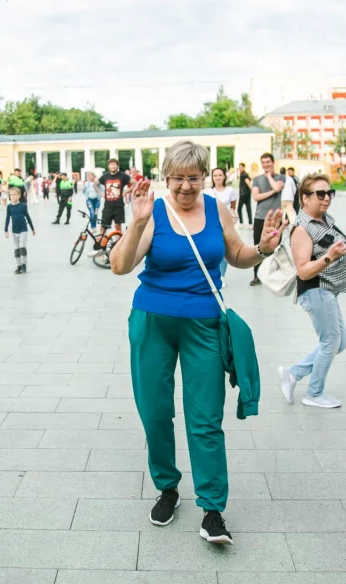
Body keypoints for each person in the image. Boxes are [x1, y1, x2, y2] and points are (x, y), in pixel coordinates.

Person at [109, 141, 285, 546]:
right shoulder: (152, 212)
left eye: (193, 178)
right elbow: (120, 267)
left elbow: (237, 254)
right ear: (166, 177)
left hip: (204, 322)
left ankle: (212, 509)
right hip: (153, 320)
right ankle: (167, 487)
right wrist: (136, 223)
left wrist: (263, 249)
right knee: (154, 411)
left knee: (205, 416)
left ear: (205, 176)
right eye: (178, 178)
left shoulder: (216, 209)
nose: (186, 186)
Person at [278, 174, 346, 409]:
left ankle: (293, 373)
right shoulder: (302, 229)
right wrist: (330, 257)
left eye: (329, 193)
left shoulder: (323, 220)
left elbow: (331, 242)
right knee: (331, 340)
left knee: (340, 342)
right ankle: (314, 392)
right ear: (305, 198)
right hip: (315, 290)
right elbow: (303, 270)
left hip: (328, 290)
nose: (327, 198)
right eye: (320, 194)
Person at [249, 152, 285, 286]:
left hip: (276, 218)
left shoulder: (281, 177)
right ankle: (256, 275)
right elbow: (256, 197)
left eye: (268, 162)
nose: (265, 165)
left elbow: (277, 186)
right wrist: (272, 192)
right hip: (260, 217)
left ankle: (273, 275)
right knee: (258, 246)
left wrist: (269, 176)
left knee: (275, 247)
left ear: (273, 162)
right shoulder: (257, 179)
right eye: (263, 162)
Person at [204, 167, 238, 279]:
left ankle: (221, 275)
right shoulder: (208, 192)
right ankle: (212, 272)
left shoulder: (230, 190)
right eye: (215, 175)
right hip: (212, 224)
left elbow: (233, 206)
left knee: (224, 250)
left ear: (224, 176)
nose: (218, 177)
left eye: (220, 175)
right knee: (212, 248)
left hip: (226, 224)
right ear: (212, 178)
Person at [92, 158, 132, 255]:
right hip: (108, 206)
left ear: (117, 166)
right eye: (111, 164)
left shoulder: (123, 176)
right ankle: (102, 248)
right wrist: (101, 193)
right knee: (103, 228)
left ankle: (117, 249)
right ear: (108, 166)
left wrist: (126, 191)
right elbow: (95, 184)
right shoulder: (105, 176)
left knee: (118, 227)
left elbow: (134, 183)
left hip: (118, 206)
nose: (113, 166)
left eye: (115, 164)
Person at [4, 187, 36, 274]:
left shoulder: (23, 206)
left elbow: (27, 216)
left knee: (22, 247)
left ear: (19, 195)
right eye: (11, 195)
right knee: (17, 249)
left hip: (23, 229)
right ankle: (18, 265)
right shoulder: (9, 207)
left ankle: (24, 264)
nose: (13, 197)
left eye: (14, 195)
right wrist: (5, 230)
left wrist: (32, 228)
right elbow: (7, 218)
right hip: (14, 230)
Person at [236, 162, 253, 228]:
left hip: (243, 194)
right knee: (248, 208)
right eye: (239, 167)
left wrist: (253, 190)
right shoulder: (245, 174)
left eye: (241, 167)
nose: (240, 168)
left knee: (239, 208)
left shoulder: (244, 175)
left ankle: (241, 223)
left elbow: (248, 182)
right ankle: (250, 223)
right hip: (247, 193)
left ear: (243, 167)